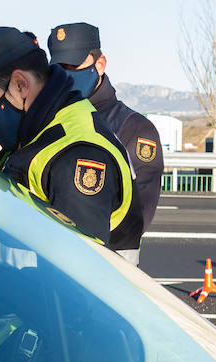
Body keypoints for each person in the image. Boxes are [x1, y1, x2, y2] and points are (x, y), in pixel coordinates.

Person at [0, 26, 142, 359]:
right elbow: (26, 242)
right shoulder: (31, 139)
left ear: (21, 85)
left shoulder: (75, 155)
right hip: (37, 348)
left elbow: (73, 300)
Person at [48, 21, 163, 264]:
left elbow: (136, 215)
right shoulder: (48, 119)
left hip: (109, 272)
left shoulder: (134, 128)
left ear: (100, 65)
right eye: (59, 67)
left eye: (74, 66)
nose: (66, 74)